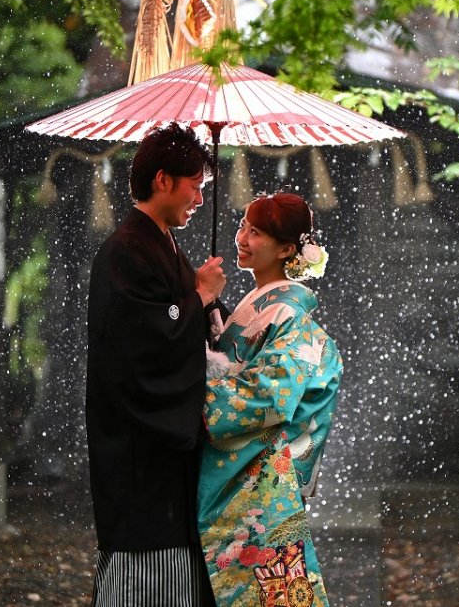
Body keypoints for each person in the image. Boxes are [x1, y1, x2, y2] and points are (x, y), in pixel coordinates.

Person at [86, 124, 228, 607]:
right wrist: (200, 296)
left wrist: (209, 313)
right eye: (194, 186)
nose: (199, 198)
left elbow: (179, 324)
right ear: (163, 180)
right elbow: (145, 343)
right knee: (146, 582)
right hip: (140, 449)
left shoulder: (162, 247)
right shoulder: (125, 250)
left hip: (169, 453)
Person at [197, 192, 343, 607]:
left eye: (255, 232)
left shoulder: (287, 314)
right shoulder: (261, 306)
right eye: (242, 225)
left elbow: (270, 397)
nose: (241, 237)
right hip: (250, 475)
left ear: (286, 250)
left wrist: (193, 395)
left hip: (256, 480)